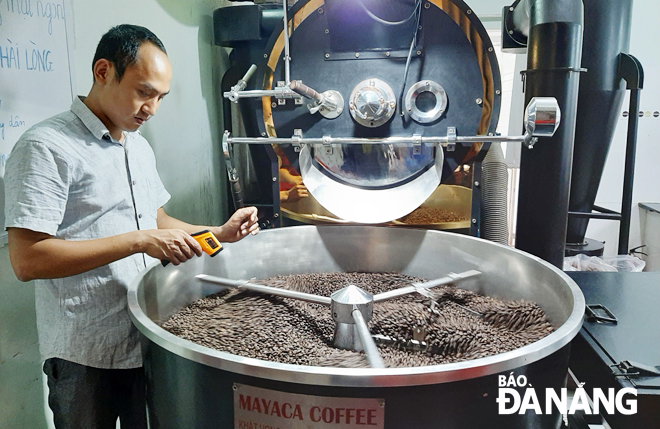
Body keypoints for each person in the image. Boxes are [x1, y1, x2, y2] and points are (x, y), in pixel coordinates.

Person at [3, 24, 259, 428]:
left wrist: (218, 234)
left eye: (160, 97)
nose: (151, 109)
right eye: (143, 92)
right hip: (84, 354)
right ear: (103, 71)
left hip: (146, 335)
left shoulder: (136, 145)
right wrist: (138, 241)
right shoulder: (46, 146)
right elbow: (27, 259)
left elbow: (155, 222)